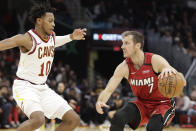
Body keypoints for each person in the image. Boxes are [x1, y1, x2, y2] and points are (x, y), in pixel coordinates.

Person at [0, 2, 86, 131]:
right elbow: (6, 43)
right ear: (39, 21)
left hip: (42, 88)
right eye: (50, 21)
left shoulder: (51, 38)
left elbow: (56, 42)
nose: (54, 24)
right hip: (25, 87)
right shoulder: (27, 39)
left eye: (54, 21)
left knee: (73, 119)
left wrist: (71, 36)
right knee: (39, 120)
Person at [96, 31, 187, 131]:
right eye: (122, 43)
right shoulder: (124, 67)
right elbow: (109, 89)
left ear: (137, 45)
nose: (122, 46)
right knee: (118, 117)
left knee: (152, 127)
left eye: (126, 43)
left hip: (163, 104)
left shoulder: (154, 60)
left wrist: (167, 69)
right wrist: (100, 101)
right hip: (142, 105)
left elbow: (172, 71)